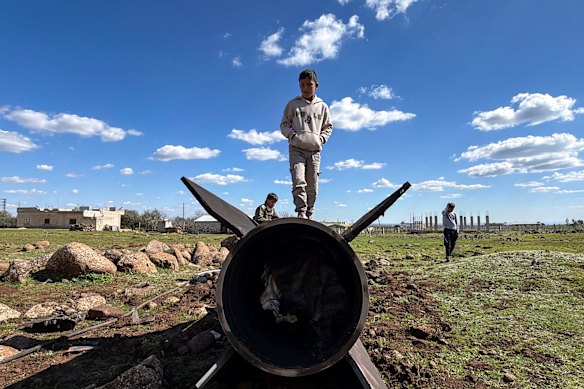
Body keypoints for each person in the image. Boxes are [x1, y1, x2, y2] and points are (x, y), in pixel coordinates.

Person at [280, 69, 333, 219]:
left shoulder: (322, 106)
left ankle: (310, 213)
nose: (305, 88)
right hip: (297, 148)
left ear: (316, 85)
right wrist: (292, 136)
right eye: (302, 85)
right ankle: (301, 212)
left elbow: (328, 126)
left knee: (313, 185)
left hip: (314, 150)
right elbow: (284, 124)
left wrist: (321, 139)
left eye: (309, 84)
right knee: (298, 180)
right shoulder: (293, 104)